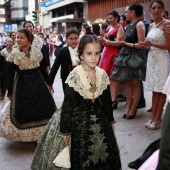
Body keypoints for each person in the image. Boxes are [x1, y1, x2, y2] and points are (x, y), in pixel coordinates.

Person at [31, 35, 121, 170]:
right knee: (81, 153)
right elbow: (68, 105)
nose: (94, 57)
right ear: (81, 55)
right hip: (78, 120)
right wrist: (65, 130)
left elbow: (106, 100)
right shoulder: (75, 75)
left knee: (105, 149)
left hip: (100, 117)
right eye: (89, 53)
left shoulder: (102, 74)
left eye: (97, 53)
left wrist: (110, 120)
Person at [0, 29, 56, 142]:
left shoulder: (36, 52)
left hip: (37, 83)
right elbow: (10, 75)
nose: (18, 40)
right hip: (21, 85)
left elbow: (40, 70)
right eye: (17, 37)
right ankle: (25, 135)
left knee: (42, 108)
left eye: (22, 37)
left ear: (29, 40)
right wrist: (10, 92)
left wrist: (46, 83)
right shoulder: (13, 55)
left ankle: (41, 133)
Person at [110, 4, 146, 119]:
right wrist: (123, 41)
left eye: (127, 12)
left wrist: (125, 43)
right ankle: (128, 108)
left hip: (135, 57)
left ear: (133, 12)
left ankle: (133, 108)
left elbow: (141, 44)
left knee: (135, 83)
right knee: (129, 83)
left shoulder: (139, 24)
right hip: (128, 57)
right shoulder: (130, 25)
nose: (125, 14)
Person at [139, 0, 170, 129]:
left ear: (162, 9)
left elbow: (169, 46)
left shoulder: (167, 24)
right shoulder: (151, 26)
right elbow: (149, 44)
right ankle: (153, 118)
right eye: (153, 8)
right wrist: (146, 45)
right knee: (154, 89)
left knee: (161, 90)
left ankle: (158, 119)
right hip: (151, 58)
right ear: (150, 10)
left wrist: (152, 44)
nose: (156, 10)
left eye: (158, 7)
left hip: (162, 59)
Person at [98, 10, 124, 109]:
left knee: (113, 78)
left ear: (116, 18)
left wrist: (105, 41)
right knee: (106, 77)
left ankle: (114, 100)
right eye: (108, 18)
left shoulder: (120, 28)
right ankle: (108, 98)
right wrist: (103, 41)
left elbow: (119, 43)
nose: (109, 20)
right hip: (106, 53)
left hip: (113, 54)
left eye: (111, 18)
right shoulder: (109, 27)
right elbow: (107, 41)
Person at [47, 27, 80, 94]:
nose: (74, 41)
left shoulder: (82, 50)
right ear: (66, 39)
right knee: (68, 98)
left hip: (81, 78)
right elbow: (55, 67)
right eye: (71, 39)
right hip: (67, 79)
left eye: (76, 38)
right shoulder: (63, 51)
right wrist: (49, 83)